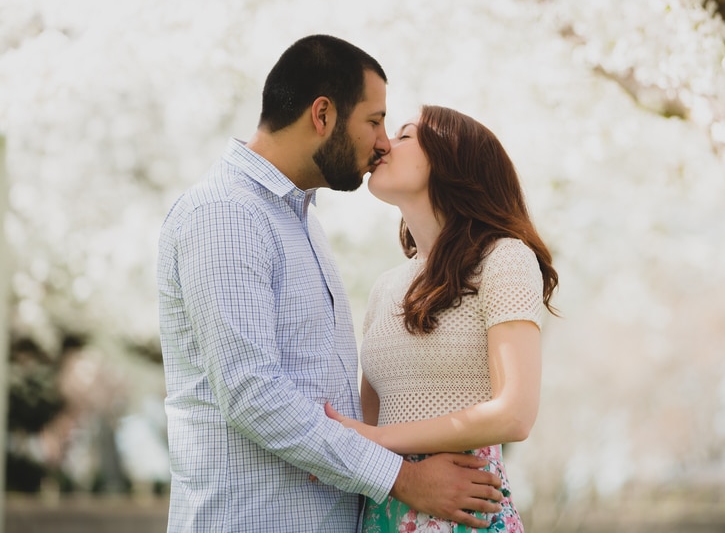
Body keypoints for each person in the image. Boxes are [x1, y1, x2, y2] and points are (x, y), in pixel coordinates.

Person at [156, 36, 504, 533]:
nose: (383, 141)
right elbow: (253, 394)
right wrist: (403, 479)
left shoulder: (298, 220)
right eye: (374, 120)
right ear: (322, 115)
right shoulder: (228, 214)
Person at [325, 105, 559, 532]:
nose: (384, 145)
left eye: (405, 136)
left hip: (467, 512)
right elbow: (370, 418)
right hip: (386, 512)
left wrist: (376, 440)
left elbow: (515, 415)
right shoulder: (385, 287)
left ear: (451, 160)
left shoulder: (504, 259)